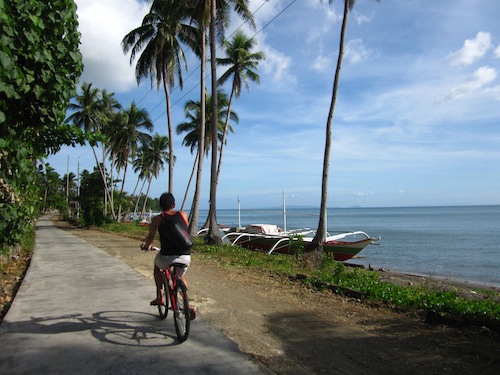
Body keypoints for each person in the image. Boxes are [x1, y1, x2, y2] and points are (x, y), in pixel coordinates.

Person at [141, 192, 192, 306]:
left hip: (166, 256)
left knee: (157, 267)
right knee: (179, 276)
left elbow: (151, 236)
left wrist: (147, 246)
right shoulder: (183, 215)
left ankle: (160, 297)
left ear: (160, 206)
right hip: (185, 255)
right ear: (174, 205)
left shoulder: (157, 219)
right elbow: (184, 231)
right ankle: (187, 303)